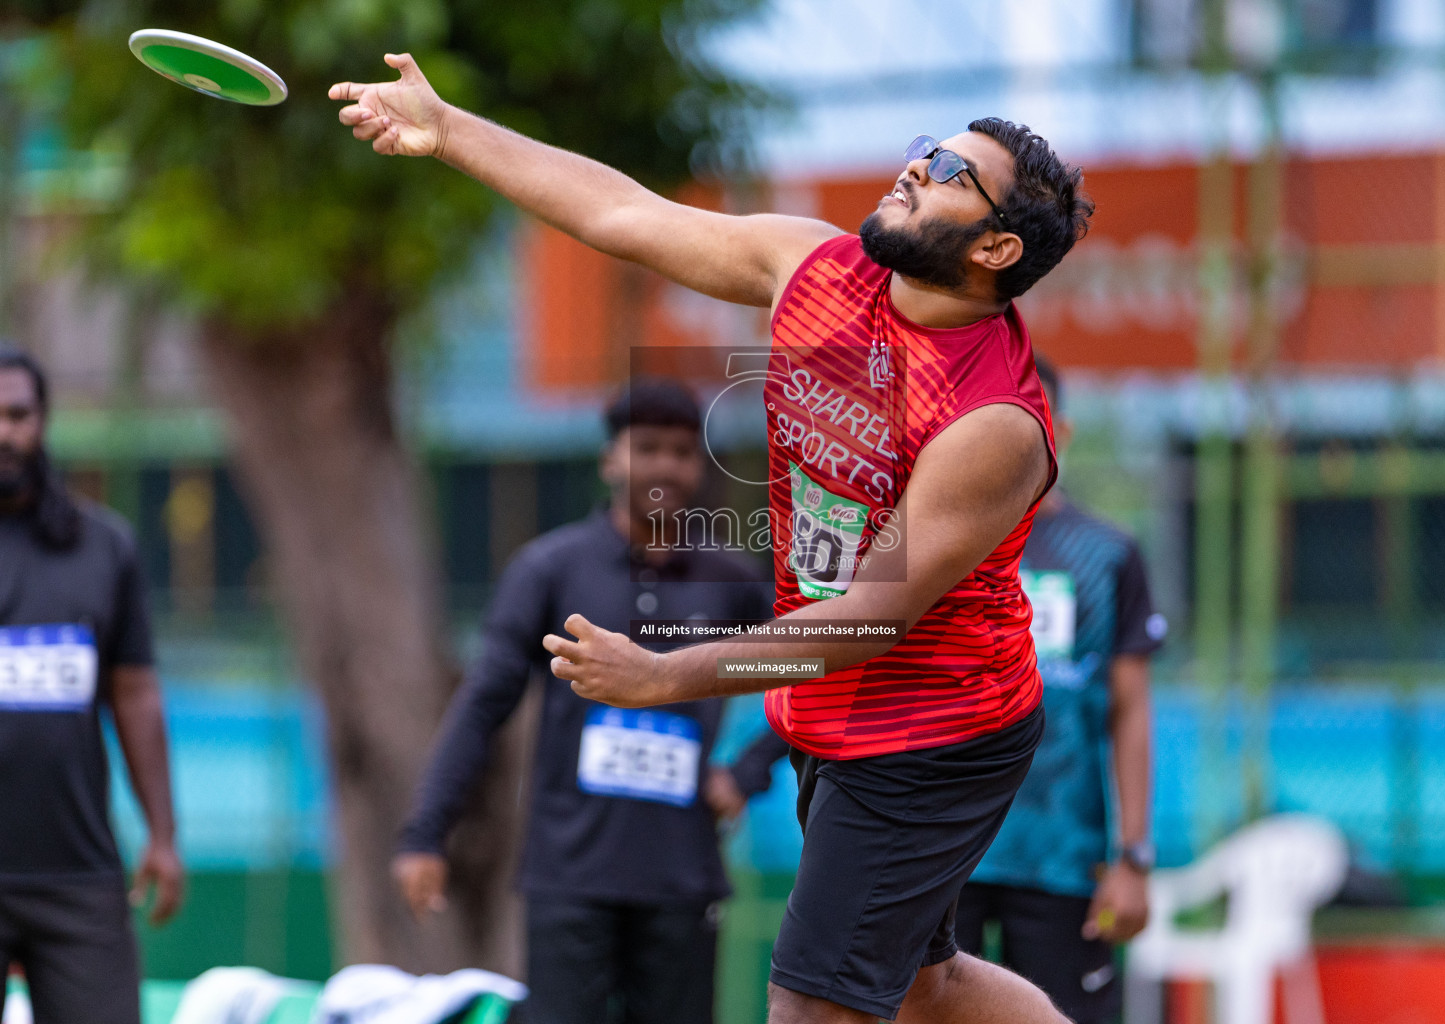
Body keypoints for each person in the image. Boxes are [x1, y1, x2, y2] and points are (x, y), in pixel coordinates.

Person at [333, 56, 1091, 1024]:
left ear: (992, 250)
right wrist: (450, 130)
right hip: (840, 703)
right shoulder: (818, 271)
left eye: (952, 173)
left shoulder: (992, 422)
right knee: (925, 983)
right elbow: (624, 214)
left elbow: (866, 621)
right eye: (927, 150)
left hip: (932, 728)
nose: (917, 168)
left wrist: (664, 676)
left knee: (813, 1004)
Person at [393, 380, 776, 1024]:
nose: (664, 466)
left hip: (682, 879)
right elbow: (484, 704)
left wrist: (748, 770)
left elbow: (820, 668)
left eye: (682, 452)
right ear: (609, 460)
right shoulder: (550, 569)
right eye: (646, 447)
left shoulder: (734, 581)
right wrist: (425, 833)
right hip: (569, 878)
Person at [957, 358, 1165, 1024]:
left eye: (1031, 417)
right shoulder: (939, 543)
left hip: (1064, 859)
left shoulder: (1107, 552)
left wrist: (1133, 857)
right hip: (940, 854)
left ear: (1062, 431)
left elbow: (1131, 712)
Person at [0, 347, 183, 1024]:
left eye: (17, 414)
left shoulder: (102, 546)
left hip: (77, 878)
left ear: (42, 421)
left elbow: (134, 694)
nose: (4, 432)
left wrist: (163, 835)